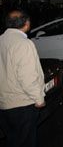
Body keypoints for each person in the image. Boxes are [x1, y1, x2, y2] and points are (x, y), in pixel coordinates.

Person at [0, 10, 46, 147]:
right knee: (26, 141)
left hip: (4, 104)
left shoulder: (1, 40)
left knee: (13, 139)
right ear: (26, 24)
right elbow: (27, 77)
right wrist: (39, 99)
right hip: (22, 104)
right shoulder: (23, 44)